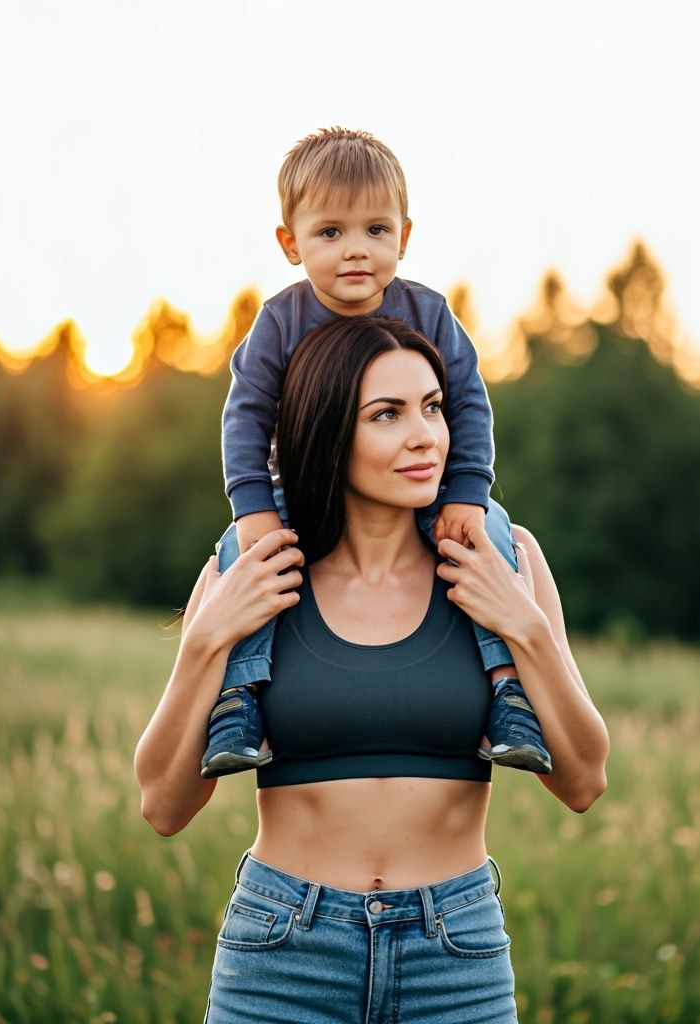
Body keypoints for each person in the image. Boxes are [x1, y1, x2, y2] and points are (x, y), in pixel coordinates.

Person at [134, 315, 610, 1023]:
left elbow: (583, 781)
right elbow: (164, 806)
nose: (425, 437)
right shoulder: (252, 572)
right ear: (327, 433)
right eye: (387, 414)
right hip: (282, 954)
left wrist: (523, 624)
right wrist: (207, 639)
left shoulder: (504, 562)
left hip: (456, 957)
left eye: (433, 407)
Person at [202, 126, 552, 780]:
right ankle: (238, 698)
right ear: (290, 243)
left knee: (495, 537)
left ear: (404, 236)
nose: (356, 249)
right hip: (299, 492)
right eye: (330, 232)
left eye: (376, 229)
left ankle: (509, 691)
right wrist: (251, 507)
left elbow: (468, 403)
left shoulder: (428, 313)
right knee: (242, 555)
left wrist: (467, 493)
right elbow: (245, 414)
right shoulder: (280, 322)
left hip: (423, 488)